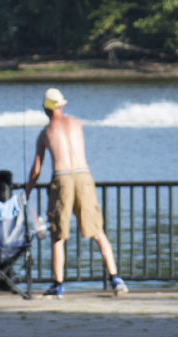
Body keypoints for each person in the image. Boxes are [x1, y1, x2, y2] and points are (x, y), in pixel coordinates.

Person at [27, 88, 124, 297]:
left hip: (61, 178)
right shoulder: (77, 124)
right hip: (84, 176)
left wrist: (26, 192)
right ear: (61, 105)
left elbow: (36, 170)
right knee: (97, 231)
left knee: (58, 235)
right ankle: (116, 279)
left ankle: (58, 285)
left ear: (46, 107)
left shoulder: (45, 133)